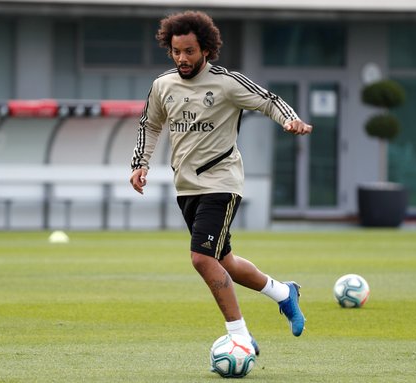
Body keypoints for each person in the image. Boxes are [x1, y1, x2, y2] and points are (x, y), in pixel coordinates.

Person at [129, 10, 312, 356]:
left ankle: (240, 336)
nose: (182, 58)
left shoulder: (227, 83)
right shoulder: (162, 86)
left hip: (222, 182)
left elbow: (268, 101)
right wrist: (140, 164)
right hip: (185, 187)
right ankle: (283, 293)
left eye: (190, 51)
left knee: (201, 258)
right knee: (222, 260)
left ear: (207, 50)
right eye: (176, 51)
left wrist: (290, 120)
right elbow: (150, 125)